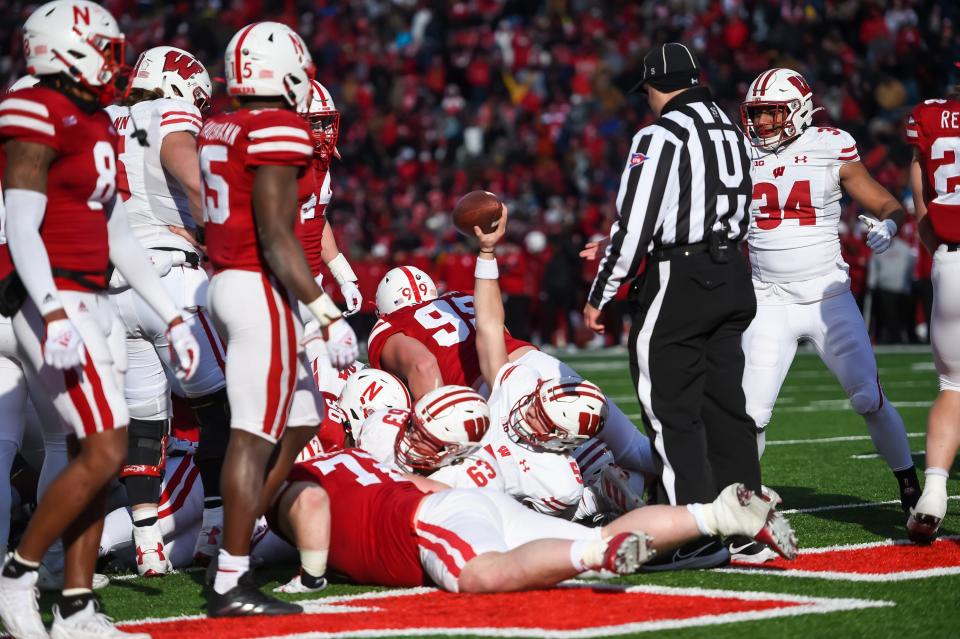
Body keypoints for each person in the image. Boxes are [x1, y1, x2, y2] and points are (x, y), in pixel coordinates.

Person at [0, 2, 199, 637]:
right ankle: (19, 573)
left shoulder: (97, 123)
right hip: (48, 296)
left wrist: (171, 317)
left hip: (93, 296)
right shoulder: (34, 108)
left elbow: (119, 235)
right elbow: (23, 226)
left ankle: (77, 605)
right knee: (104, 444)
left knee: (98, 453)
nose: (113, 62)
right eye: (101, 47)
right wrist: (51, 308)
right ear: (63, 50)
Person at [199, 21, 357, 616]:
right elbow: (277, 238)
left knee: (304, 415)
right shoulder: (275, 127)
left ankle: (242, 539)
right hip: (258, 287)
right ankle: (230, 578)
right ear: (286, 73)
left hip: (233, 281)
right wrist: (325, 312)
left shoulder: (223, 122)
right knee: (252, 434)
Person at [582, 42, 756, 570]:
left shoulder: (659, 134)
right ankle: (745, 522)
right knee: (727, 407)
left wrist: (602, 292)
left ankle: (693, 533)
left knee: (671, 408)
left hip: (681, 277)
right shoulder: (731, 126)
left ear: (655, 87)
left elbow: (637, 223)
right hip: (732, 271)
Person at [736, 68, 920, 559]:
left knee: (867, 396)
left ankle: (909, 487)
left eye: (771, 113)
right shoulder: (741, 151)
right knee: (751, 411)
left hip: (826, 296)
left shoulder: (830, 145)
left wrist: (889, 226)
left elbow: (885, 201)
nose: (762, 123)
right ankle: (748, 512)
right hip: (768, 297)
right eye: (756, 114)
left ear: (796, 110)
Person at [267, 445, 796, 594]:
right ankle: (722, 512)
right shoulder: (354, 461)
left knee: (479, 575)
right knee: (607, 529)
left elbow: (310, 507)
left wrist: (310, 576)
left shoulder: (289, 481)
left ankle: (598, 558)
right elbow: (426, 483)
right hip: (464, 505)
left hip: (425, 524)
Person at [105, 45, 230, 575]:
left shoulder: (103, 118)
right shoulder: (167, 112)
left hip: (114, 288)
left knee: (145, 425)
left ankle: (148, 545)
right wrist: (208, 227)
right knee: (220, 407)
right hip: (171, 279)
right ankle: (216, 534)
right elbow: (191, 173)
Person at [369, 267, 654, 475]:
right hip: (539, 363)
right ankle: (690, 494)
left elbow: (423, 365)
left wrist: (442, 428)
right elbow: (498, 336)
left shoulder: (390, 325)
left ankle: (592, 493)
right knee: (637, 451)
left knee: (511, 490)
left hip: (498, 392)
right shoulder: (462, 297)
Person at [905, 91, 960, 543]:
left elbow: (920, 194)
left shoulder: (931, 117)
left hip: (951, 260)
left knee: (953, 386)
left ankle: (934, 493)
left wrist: (937, 248)